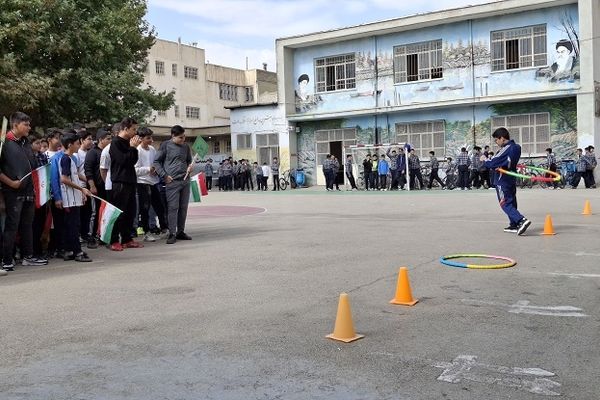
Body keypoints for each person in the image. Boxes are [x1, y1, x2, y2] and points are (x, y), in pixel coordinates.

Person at [0, 112, 47, 271]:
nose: (29, 127)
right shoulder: (4, 142)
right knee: (11, 226)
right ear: (15, 125)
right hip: (12, 193)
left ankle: (28, 256)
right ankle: (7, 259)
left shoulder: (25, 142)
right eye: (26, 124)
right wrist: (11, 183)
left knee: (27, 225)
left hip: (29, 191)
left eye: (29, 124)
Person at [484, 127, 531, 235]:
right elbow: (507, 162)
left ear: (502, 138)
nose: (496, 142)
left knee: (504, 203)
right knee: (511, 202)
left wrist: (485, 160)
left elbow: (492, 162)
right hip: (510, 179)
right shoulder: (517, 147)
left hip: (502, 180)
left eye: (496, 140)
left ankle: (521, 220)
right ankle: (514, 225)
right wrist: (500, 164)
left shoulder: (506, 148)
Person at [153, 125, 193, 245]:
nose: (183, 139)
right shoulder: (165, 145)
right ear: (173, 136)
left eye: (184, 137)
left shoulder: (186, 147)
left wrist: (190, 167)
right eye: (180, 138)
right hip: (172, 182)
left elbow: (189, 161)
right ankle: (172, 233)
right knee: (173, 208)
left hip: (185, 181)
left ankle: (181, 231)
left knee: (183, 207)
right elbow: (156, 162)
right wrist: (164, 176)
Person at [108, 117, 144, 251]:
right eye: (133, 129)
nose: (135, 132)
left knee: (130, 212)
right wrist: (132, 148)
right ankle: (113, 240)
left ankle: (127, 238)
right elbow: (123, 161)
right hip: (120, 182)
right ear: (125, 128)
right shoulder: (116, 142)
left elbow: (132, 161)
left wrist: (133, 148)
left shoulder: (129, 143)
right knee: (119, 213)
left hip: (130, 180)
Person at [58, 132, 92, 262]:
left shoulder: (71, 159)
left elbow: (75, 177)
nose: (79, 145)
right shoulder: (65, 159)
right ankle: (77, 252)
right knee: (73, 226)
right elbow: (64, 179)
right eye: (77, 143)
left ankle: (70, 250)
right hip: (69, 199)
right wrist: (82, 189)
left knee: (73, 225)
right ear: (70, 145)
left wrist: (82, 192)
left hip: (75, 198)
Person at [135, 127, 167, 242]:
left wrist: (156, 170)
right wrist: (149, 169)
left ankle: (164, 229)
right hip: (142, 183)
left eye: (151, 137)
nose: (151, 140)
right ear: (140, 139)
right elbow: (135, 170)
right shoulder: (137, 151)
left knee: (159, 206)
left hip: (154, 182)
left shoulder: (152, 149)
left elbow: (156, 163)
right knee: (145, 209)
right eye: (148, 138)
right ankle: (146, 232)